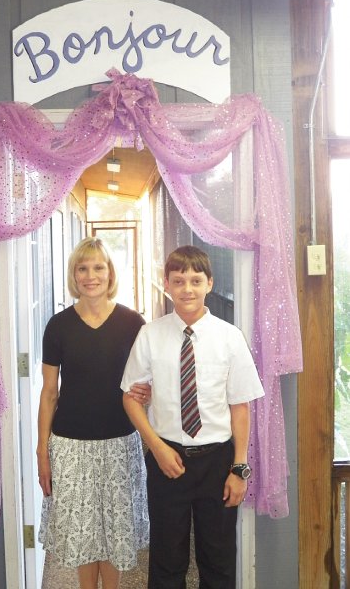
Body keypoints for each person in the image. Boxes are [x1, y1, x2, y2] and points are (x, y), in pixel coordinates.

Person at [121, 245, 265, 589]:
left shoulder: (230, 338)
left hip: (217, 461)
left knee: (218, 559)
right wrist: (157, 448)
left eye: (195, 280)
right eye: (179, 280)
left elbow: (240, 406)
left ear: (209, 284)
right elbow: (130, 398)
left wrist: (239, 468)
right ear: (167, 284)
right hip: (167, 457)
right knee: (166, 560)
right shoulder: (150, 335)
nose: (187, 289)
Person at [37, 237, 150, 589]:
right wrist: (42, 451)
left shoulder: (133, 323)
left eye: (98, 267)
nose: (91, 276)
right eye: (82, 269)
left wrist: (147, 392)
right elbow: (49, 392)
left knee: (114, 534)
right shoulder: (58, 325)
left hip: (120, 444)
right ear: (74, 275)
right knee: (83, 536)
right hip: (70, 446)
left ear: (110, 273)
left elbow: (147, 381)